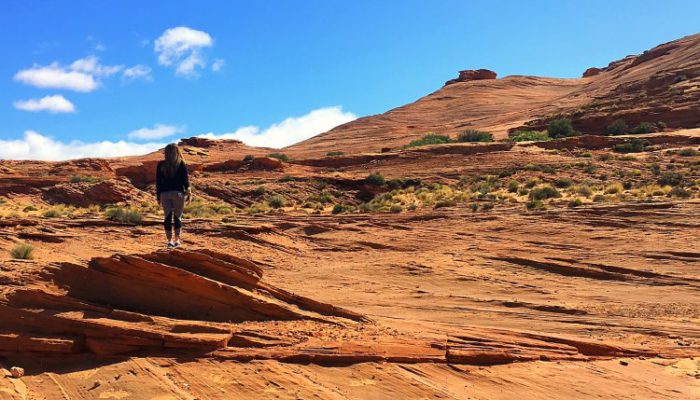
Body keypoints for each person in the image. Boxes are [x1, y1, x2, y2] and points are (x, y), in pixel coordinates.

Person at [156, 143, 191, 248]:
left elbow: (158, 182)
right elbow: (185, 181)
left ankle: (169, 241)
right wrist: (188, 191)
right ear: (177, 152)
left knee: (167, 217)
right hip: (178, 194)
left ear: (166, 153)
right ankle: (177, 240)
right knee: (177, 217)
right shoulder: (181, 164)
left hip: (164, 194)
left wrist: (158, 197)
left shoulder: (161, 165)